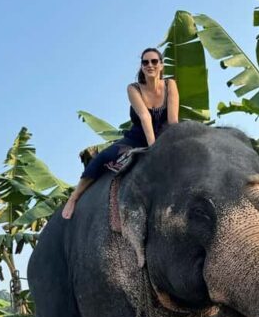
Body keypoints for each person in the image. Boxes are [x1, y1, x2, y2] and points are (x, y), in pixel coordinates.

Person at [62, 47, 180, 219]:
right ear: (141, 66)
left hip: (164, 135)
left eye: (154, 61)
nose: (150, 65)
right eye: (145, 62)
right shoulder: (133, 88)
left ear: (161, 65)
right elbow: (145, 117)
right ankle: (74, 198)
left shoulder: (170, 85)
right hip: (137, 138)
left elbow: (173, 120)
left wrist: (172, 144)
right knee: (102, 158)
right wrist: (153, 150)